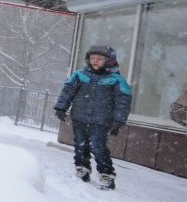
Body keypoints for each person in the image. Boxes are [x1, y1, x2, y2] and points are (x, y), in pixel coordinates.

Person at [53, 44, 133, 189]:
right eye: (92, 58)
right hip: (80, 117)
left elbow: (123, 101)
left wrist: (119, 120)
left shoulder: (116, 79)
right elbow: (68, 91)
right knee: (80, 145)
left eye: (100, 59)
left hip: (101, 121)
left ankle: (106, 174)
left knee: (98, 147)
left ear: (109, 61)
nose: (95, 61)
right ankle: (82, 168)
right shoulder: (79, 75)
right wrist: (61, 108)